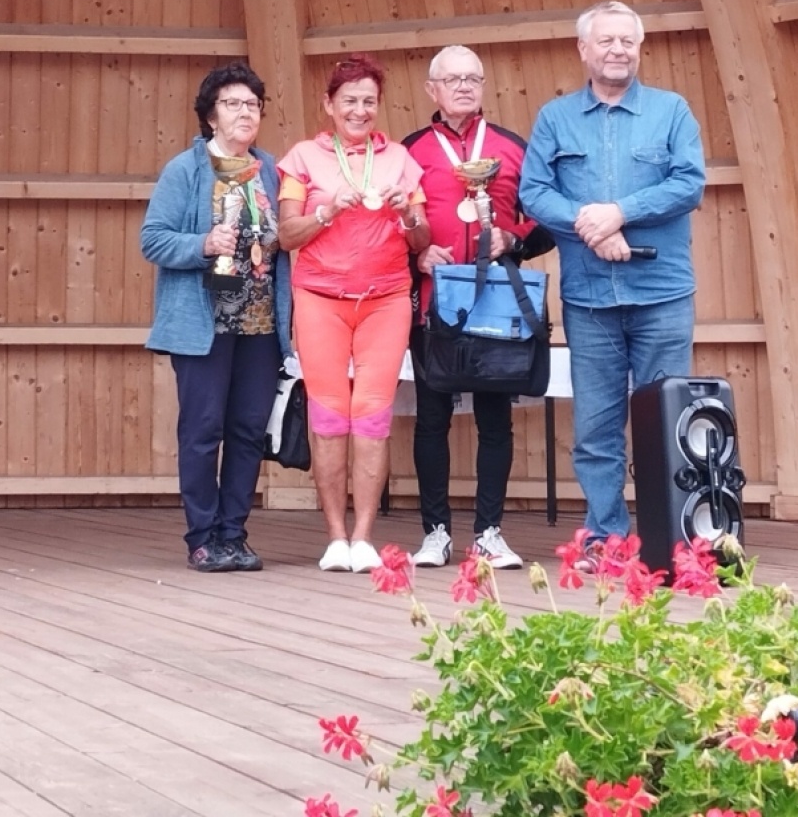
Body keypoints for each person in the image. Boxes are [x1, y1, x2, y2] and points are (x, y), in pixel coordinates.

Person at [519, 1, 705, 542]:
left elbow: (688, 184)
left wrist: (620, 212)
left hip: (662, 296)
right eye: (606, 40)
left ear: (639, 48)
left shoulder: (672, 111)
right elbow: (534, 192)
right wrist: (593, 226)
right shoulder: (555, 118)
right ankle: (606, 537)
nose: (618, 50)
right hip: (589, 299)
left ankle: (671, 540)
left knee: (668, 424)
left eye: (627, 41)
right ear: (584, 49)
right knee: (596, 430)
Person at [277, 54, 431, 573]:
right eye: (349, 101)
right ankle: (335, 537)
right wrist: (327, 210)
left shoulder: (400, 160)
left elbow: (421, 238)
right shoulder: (302, 158)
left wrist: (406, 213)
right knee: (328, 415)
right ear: (329, 104)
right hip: (320, 298)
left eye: (368, 101)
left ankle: (363, 537)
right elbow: (287, 235)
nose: (359, 110)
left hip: (385, 299)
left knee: (371, 414)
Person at [402, 46, 553, 569]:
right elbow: (389, 225)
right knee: (431, 419)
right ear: (433, 89)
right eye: (452, 79)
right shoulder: (410, 151)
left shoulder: (512, 148)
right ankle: (435, 533)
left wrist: (513, 240)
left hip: (497, 307)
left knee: (495, 422)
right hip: (435, 304)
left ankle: (489, 532)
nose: (464, 86)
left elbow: (547, 219)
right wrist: (417, 254)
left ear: (484, 86)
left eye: (472, 78)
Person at [141, 63, 291, 572]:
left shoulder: (270, 169)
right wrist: (202, 243)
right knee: (203, 431)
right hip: (204, 325)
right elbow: (153, 239)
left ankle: (234, 534)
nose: (244, 112)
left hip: (260, 325)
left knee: (248, 431)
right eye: (232, 103)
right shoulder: (185, 169)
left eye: (252, 104)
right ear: (210, 115)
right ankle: (202, 537)